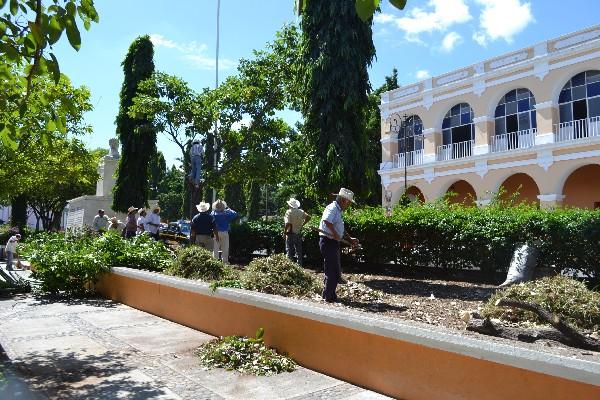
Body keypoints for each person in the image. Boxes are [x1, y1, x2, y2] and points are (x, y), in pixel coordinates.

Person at [318, 188, 359, 303]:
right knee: (332, 270)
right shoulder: (332, 208)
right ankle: (329, 297)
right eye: (349, 202)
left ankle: (328, 294)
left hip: (332, 242)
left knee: (334, 270)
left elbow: (339, 226)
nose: (349, 204)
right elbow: (327, 221)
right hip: (328, 241)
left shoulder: (338, 210)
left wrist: (349, 238)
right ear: (343, 200)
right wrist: (335, 234)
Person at [283, 198, 310, 266]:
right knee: (299, 252)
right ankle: (299, 266)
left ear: (290, 205)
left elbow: (287, 223)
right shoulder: (301, 211)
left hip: (290, 234)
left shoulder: (288, 212)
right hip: (298, 233)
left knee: (289, 251)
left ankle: (289, 267)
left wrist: (284, 232)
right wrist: (302, 224)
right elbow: (308, 217)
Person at [211, 200, 238, 264]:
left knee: (215, 248)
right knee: (225, 248)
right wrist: (229, 208)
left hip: (216, 232)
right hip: (224, 232)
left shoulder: (213, 213)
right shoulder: (226, 213)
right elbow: (235, 213)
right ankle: (225, 261)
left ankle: (215, 261)